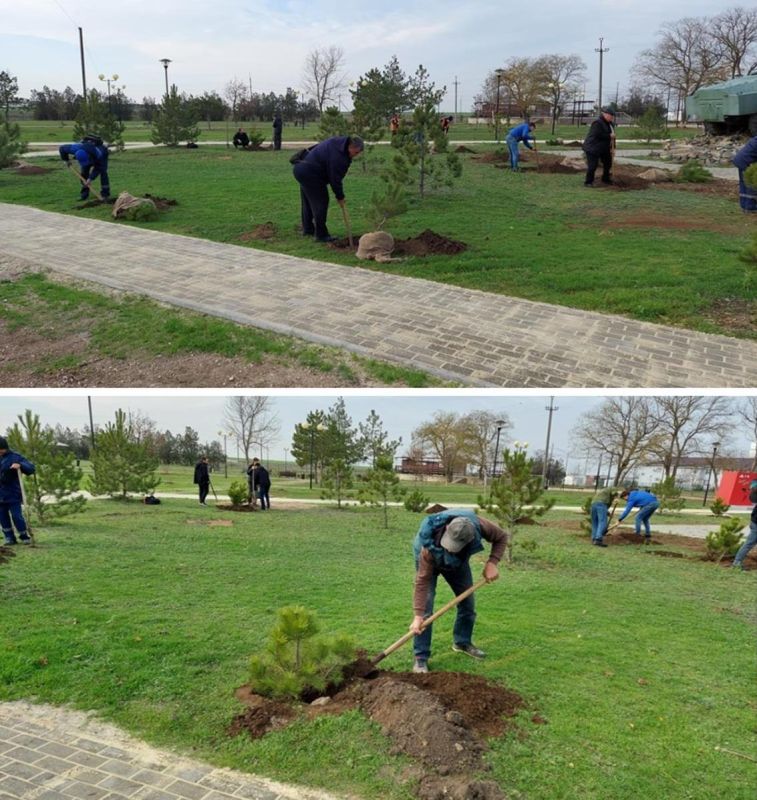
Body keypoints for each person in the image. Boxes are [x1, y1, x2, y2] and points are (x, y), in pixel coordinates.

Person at [409, 508, 505, 674]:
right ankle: (421, 657)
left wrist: (492, 563)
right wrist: (417, 616)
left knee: (467, 604)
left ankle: (462, 642)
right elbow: (422, 582)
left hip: (457, 564)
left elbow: (501, 537)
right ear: (447, 528)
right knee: (425, 611)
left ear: (470, 539)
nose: (451, 549)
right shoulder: (428, 543)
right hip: (430, 557)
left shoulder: (480, 526)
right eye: (450, 544)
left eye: (456, 546)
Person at [292, 135, 364, 243]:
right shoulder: (339, 158)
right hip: (310, 173)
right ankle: (321, 235)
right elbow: (335, 180)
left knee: (308, 201)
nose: (356, 155)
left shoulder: (338, 142)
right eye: (356, 152)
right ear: (350, 147)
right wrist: (340, 196)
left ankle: (308, 229)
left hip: (301, 167)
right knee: (321, 202)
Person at [0, 436, 35, 546]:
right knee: (2, 517)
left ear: (4, 448)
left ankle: (24, 536)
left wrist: (20, 465)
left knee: (16, 516)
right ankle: (9, 538)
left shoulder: (15, 457)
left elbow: (31, 468)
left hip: (13, 493)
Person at [58, 135, 110, 200]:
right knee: (84, 173)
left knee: (103, 172)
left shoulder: (100, 153)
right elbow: (62, 148)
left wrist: (90, 178)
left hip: (100, 157)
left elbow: (98, 168)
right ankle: (84, 195)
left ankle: (105, 194)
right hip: (88, 154)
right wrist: (66, 160)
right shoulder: (76, 148)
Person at [582, 107, 616, 187]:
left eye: (612, 116)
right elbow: (597, 135)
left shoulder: (610, 124)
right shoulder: (597, 123)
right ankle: (588, 182)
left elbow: (613, 137)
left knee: (608, 163)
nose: (612, 118)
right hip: (593, 147)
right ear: (605, 114)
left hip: (603, 148)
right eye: (610, 116)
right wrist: (609, 136)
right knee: (593, 165)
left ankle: (605, 179)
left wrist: (613, 147)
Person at [732, 479, 757, 570]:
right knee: (749, 543)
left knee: (749, 543)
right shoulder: (754, 493)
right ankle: (737, 562)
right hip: (756, 524)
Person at [731, 135, 757, 213]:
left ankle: (744, 206)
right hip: (746, 162)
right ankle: (750, 208)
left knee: (744, 182)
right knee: (751, 183)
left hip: (741, 160)